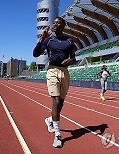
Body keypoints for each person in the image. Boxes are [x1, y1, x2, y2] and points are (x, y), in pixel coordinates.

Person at [33, 17, 76, 148]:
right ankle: (57, 135)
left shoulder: (69, 40)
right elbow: (35, 54)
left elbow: (73, 57)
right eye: (54, 23)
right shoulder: (49, 39)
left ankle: (50, 120)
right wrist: (42, 38)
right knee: (56, 101)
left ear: (64, 25)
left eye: (58, 23)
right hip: (52, 71)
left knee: (61, 103)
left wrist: (71, 61)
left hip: (64, 72)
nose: (55, 24)